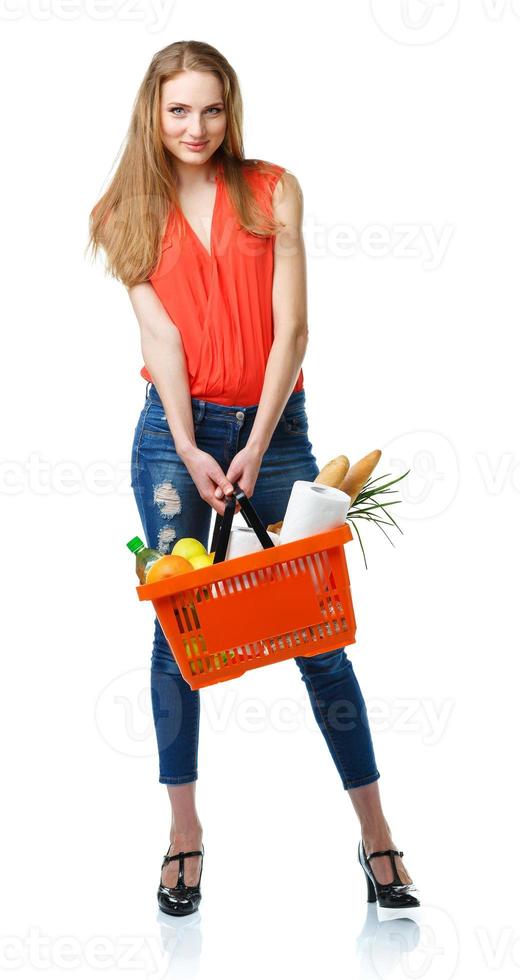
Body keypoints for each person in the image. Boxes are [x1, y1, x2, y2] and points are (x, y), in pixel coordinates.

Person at [88, 39, 419, 920]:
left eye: (212, 108)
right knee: (181, 635)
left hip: (275, 435)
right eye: (178, 111)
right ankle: (184, 836)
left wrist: (254, 440)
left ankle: (377, 833)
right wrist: (195, 449)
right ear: (152, 117)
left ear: (231, 110)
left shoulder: (272, 188)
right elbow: (160, 343)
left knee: (317, 630)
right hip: (173, 441)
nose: (196, 127)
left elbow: (293, 329)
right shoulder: (121, 210)